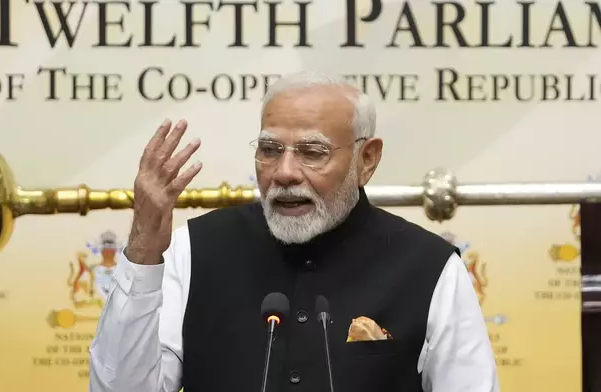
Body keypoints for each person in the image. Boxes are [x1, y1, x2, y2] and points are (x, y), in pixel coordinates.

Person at [88, 71, 499, 392]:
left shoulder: (429, 269)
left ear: (367, 159)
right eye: (269, 150)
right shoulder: (195, 250)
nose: (284, 173)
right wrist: (142, 253)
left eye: (312, 152)